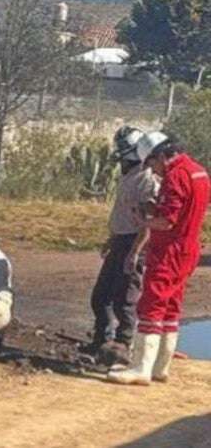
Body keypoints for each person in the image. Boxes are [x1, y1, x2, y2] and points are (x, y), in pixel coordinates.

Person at [108, 132, 210, 385]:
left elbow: (167, 221)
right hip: (188, 247)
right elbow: (184, 210)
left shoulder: (175, 176)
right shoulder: (198, 171)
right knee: (171, 307)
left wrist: (143, 220)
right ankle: (160, 367)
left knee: (151, 306)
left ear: (162, 156)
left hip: (169, 250)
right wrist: (155, 208)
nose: (153, 171)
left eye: (153, 164)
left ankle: (140, 368)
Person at [84, 127, 160, 360]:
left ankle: (123, 345)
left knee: (125, 299)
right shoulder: (127, 175)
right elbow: (124, 214)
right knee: (100, 297)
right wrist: (112, 240)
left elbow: (148, 222)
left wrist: (135, 252)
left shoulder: (147, 180)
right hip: (120, 241)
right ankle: (102, 340)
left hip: (133, 244)